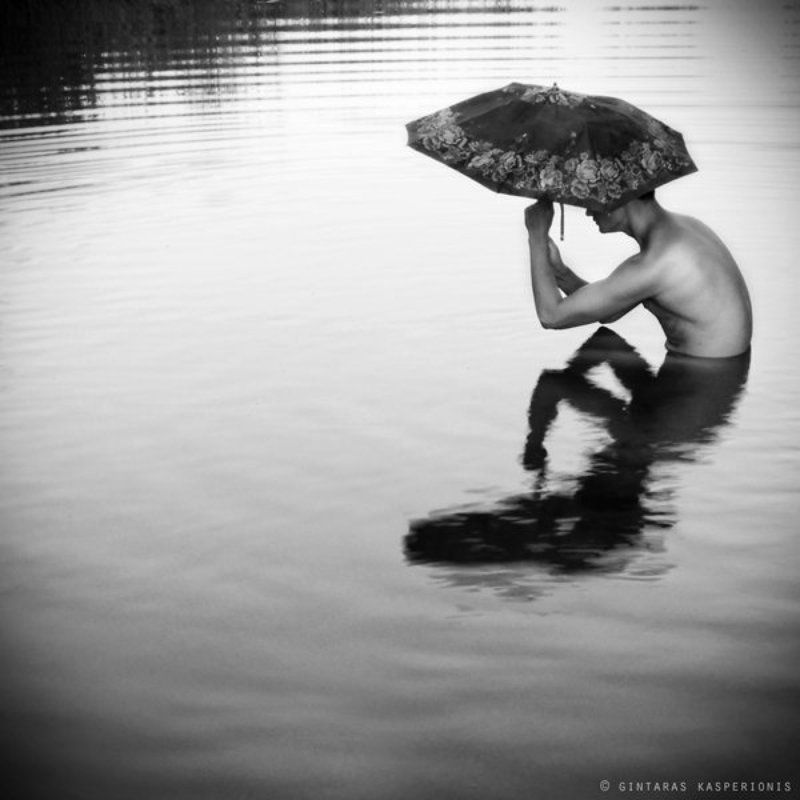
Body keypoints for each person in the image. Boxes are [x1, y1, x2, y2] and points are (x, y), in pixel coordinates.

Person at [524, 192, 752, 358]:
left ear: (622, 197)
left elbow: (551, 316)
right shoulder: (687, 228)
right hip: (724, 368)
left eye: (592, 198)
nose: (587, 211)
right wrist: (560, 272)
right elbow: (608, 312)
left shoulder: (658, 263)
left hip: (703, 380)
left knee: (611, 418)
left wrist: (536, 233)